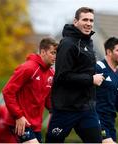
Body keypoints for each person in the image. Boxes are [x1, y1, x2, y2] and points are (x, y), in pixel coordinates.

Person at [45, 7, 104, 143]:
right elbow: (62, 76)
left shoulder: (88, 42)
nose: (89, 23)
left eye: (91, 20)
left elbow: (83, 70)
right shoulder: (67, 44)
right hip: (66, 108)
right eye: (85, 20)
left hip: (86, 108)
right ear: (75, 21)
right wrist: (91, 79)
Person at [2, 37, 58, 143]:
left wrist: (55, 110)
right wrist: (18, 116)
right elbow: (8, 92)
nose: (55, 56)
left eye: (56, 53)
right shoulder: (28, 68)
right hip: (20, 122)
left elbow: (48, 99)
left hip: (36, 125)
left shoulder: (52, 73)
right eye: (53, 53)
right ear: (43, 52)